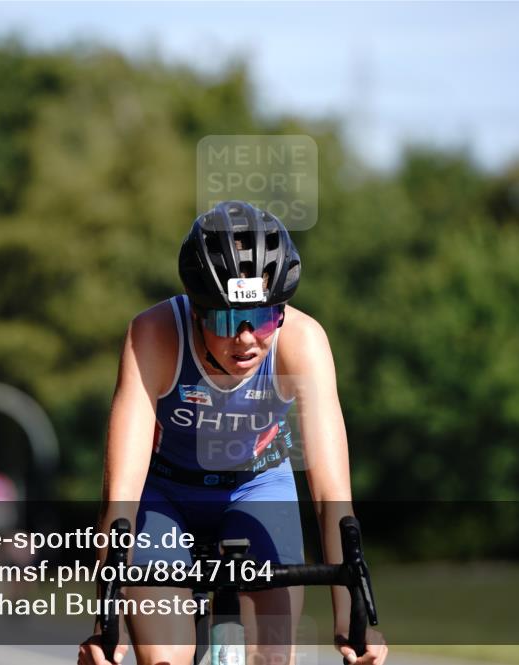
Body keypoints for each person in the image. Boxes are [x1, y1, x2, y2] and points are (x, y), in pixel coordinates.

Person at [78, 201, 387, 665]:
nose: (245, 339)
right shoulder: (155, 335)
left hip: (258, 485)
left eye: (262, 318)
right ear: (196, 311)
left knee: (271, 656)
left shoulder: (303, 342)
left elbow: (331, 496)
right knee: (164, 658)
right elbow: (120, 494)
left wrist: (352, 619)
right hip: (164, 494)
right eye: (225, 320)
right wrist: (107, 622)